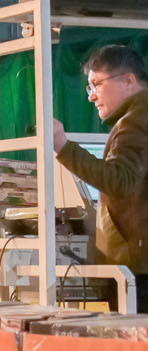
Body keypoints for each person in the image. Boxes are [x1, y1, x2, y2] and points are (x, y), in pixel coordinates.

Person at [54, 44, 148, 312]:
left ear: (128, 80)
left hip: (138, 270)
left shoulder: (136, 120)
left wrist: (62, 146)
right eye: (89, 87)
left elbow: (120, 181)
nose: (91, 96)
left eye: (97, 84)